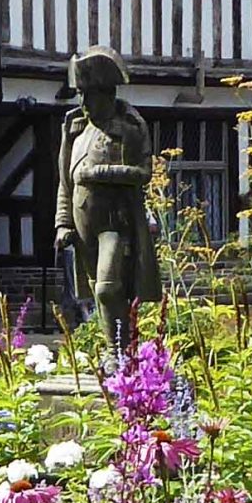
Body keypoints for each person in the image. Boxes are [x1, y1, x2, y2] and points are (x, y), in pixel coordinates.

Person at [54, 46, 161, 352]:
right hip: (84, 227)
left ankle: (118, 353)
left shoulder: (127, 128)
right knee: (95, 292)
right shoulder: (75, 131)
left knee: (108, 288)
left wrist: (98, 172)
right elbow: (66, 181)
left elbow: (142, 172)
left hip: (115, 223)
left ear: (108, 94)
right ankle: (116, 348)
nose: (84, 102)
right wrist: (63, 223)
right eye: (81, 94)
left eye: (90, 94)